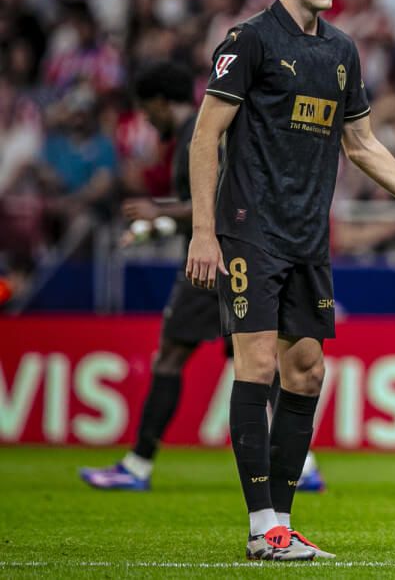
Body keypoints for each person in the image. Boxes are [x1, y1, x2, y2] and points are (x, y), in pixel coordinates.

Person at [186, 0, 395, 561]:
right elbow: (205, 135)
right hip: (248, 229)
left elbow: (364, 145)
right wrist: (203, 232)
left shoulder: (342, 52)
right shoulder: (248, 42)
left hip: (306, 237)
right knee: (259, 363)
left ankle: (283, 524)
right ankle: (262, 526)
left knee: (306, 368)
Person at [79, 62, 327, 494]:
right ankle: (302, 463)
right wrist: (156, 225)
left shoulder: (200, 133)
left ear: (157, 102)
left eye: (146, 110)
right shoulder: (198, 131)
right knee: (256, 363)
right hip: (236, 258)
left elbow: (216, 198)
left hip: (211, 263)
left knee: (175, 357)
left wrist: (160, 212)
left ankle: (137, 465)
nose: (147, 119)